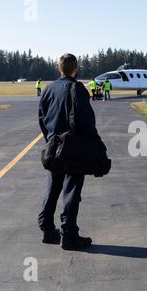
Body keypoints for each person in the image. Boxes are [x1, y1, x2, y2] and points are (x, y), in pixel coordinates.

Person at [38, 53, 100, 251]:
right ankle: (69, 235)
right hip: (73, 147)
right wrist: (94, 143)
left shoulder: (48, 89)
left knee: (52, 188)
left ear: (59, 68)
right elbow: (87, 120)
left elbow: (42, 117)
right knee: (71, 191)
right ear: (75, 69)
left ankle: (48, 230)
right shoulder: (77, 89)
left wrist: (49, 139)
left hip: (53, 146)